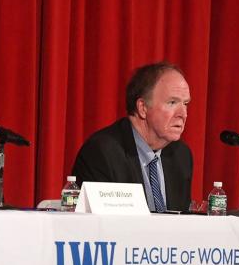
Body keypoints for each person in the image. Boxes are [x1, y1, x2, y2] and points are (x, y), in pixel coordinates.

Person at [71, 62, 192, 212]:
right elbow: (96, 226)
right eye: (172, 102)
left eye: (186, 103)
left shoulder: (181, 155)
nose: (183, 114)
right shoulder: (102, 153)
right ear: (142, 108)